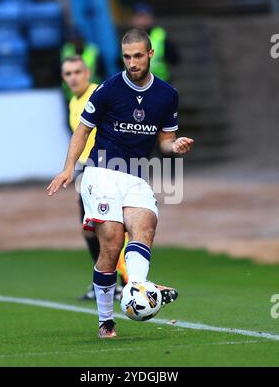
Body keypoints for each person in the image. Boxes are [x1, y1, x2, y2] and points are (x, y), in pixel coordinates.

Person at [47, 28, 194, 338]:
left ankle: (139, 288)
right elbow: (83, 131)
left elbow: (165, 141)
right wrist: (67, 168)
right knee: (112, 243)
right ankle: (106, 322)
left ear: (150, 54)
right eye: (127, 57)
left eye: (138, 56)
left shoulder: (167, 95)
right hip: (101, 172)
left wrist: (175, 145)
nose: (132, 62)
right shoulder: (108, 89)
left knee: (145, 226)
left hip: (137, 174)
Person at [61, 55, 128, 300]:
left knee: (108, 227)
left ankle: (122, 282)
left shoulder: (97, 95)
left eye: (77, 71)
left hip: (104, 169)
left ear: (87, 73)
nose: (73, 77)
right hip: (86, 173)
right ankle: (104, 279)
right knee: (89, 230)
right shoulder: (73, 102)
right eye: (68, 73)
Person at [130, 3, 180, 82]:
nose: (141, 21)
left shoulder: (160, 36)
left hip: (159, 83)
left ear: (151, 19)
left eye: (144, 17)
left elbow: (175, 59)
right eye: (138, 17)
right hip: (135, 85)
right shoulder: (127, 39)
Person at [61, 28, 105, 102]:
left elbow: (102, 71)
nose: (76, 43)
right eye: (74, 40)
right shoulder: (67, 51)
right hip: (71, 95)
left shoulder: (93, 51)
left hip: (92, 93)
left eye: (78, 40)